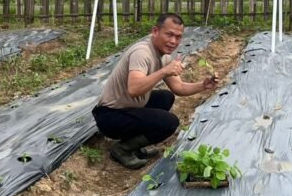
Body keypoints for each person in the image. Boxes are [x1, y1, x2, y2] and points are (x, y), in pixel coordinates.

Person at [92, 13, 218, 169]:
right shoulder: (142, 53)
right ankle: (122, 149)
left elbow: (178, 87)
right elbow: (134, 89)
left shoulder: (163, 57)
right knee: (169, 122)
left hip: (127, 109)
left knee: (166, 97)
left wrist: (203, 85)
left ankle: (134, 143)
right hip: (110, 117)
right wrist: (164, 71)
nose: (173, 41)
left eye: (178, 37)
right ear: (155, 31)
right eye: (169, 35)